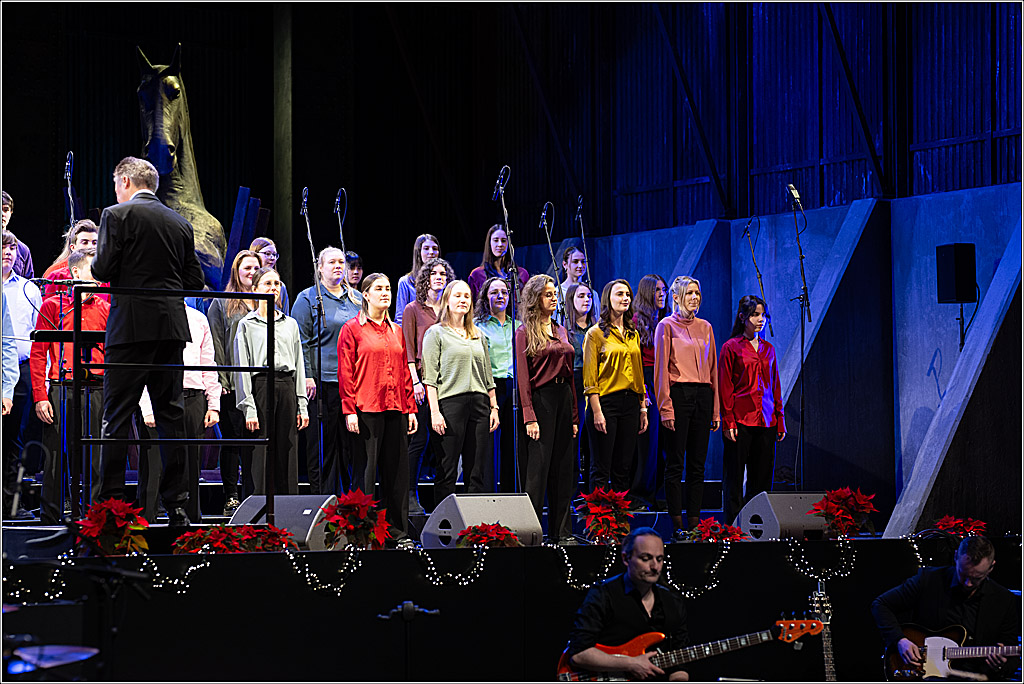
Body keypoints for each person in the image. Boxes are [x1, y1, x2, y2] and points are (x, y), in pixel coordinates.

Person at [92, 156, 205, 527]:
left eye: (115, 184)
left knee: (118, 416)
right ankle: (177, 507)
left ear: (124, 180)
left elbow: (102, 269)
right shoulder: (180, 223)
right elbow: (194, 280)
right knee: (171, 417)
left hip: (130, 332)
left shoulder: (116, 215)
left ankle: (110, 507)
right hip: (171, 329)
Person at [871, 535, 1021, 680]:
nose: (968, 583)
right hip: (927, 675)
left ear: (991, 567)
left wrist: (1001, 665)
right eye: (963, 574)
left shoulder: (1003, 599)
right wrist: (900, 640)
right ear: (956, 557)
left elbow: (1011, 654)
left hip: (977, 677)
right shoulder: (928, 580)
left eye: (977, 578)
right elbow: (881, 604)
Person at [30, 248, 108, 524]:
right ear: (75, 273)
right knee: (55, 455)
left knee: (96, 455)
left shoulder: (105, 308)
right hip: (62, 386)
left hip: (96, 388)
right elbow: (39, 353)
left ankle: (95, 516)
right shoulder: (53, 305)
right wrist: (41, 395)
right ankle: (50, 516)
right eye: (93, 269)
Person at [338, 273, 417, 544]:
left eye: (388, 288)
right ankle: (360, 531)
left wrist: (411, 409)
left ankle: (397, 531)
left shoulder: (396, 330)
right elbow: (346, 372)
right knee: (366, 473)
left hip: (395, 408)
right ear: (366, 295)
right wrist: (349, 409)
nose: (385, 293)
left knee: (396, 473)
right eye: (379, 289)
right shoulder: (352, 328)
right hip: (366, 408)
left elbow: (405, 371)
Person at [565, 527, 690, 681]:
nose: (655, 566)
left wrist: (680, 678)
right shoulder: (604, 594)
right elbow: (578, 654)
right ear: (625, 558)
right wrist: (630, 664)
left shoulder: (672, 601)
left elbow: (679, 663)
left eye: (659, 559)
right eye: (646, 558)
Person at [137, 302, 221, 522]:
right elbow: (142, 365)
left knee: (191, 464)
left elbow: (208, 363)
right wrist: (147, 407)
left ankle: (191, 521)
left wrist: (213, 404)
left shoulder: (198, 319)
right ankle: (147, 521)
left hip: (193, 396)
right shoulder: (150, 316)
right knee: (154, 465)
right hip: (159, 395)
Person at [292, 246, 362, 496]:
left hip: (353, 385)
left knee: (349, 449)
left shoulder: (356, 299)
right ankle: (321, 504)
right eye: (331, 262)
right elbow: (301, 340)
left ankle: (349, 504)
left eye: (341, 262)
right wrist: (308, 375)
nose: (338, 266)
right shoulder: (308, 298)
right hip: (322, 383)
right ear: (319, 267)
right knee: (322, 447)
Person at [422, 280, 500, 502]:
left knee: (476, 470)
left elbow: (487, 375)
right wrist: (435, 412)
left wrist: (493, 407)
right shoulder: (435, 333)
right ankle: (443, 526)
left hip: (480, 404)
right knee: (447, 468)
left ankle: (475, 527)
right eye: (457, 296)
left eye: (467, 296)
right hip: (450, 404)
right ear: (447, 300)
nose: (463, 300)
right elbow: (430, 378)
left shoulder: (478, 334)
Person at [235, 267, 310, 495]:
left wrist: (302, 404)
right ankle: (258, 512)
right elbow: (242, 369)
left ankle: (288, 511)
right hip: (260, 388)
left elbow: (299, 364)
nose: (273, 288)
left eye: (276, 284)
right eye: (267, 284)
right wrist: (249, 408)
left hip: (286, 385)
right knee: (260, 454)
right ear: (255, 289)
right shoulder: (246, 324)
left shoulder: (290, 324)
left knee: (288, 451)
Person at [655, 276, 720, 538]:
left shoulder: (706, 327)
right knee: (675, 464)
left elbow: (714, 371)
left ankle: (694, 524)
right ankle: (677, 525)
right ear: (677, 297)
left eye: (697, 292)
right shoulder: (665, 326)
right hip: (678, 395)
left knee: (697, 464)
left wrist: (716, 410)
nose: (694, 297)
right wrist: (665, 407)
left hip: (703, 396)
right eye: (689, 293)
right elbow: (660, 372)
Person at [515, 275, 578, 543]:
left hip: (564, 398)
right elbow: (522, 376)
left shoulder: (561, 329)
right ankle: (532, 533)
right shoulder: (523, 331)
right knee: (538, 470)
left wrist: (574, 415)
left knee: (564, 468)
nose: (554, 298)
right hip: (542, 400)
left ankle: (561, 532)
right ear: (535, 299)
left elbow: (571, 375)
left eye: (555, 294)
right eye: (548, 294)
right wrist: (529, 416)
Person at [718, 295, 784, 524]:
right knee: (734, 477)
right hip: (740, 420)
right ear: (743, 317)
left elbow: (775, 385)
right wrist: (728, 421)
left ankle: (757, 526)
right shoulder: (731, 348)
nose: (760, 319)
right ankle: (732, 527)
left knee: (762, 478)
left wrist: (780, 419)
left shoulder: (769, 349)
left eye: (762, 315)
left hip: (766, 420)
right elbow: (725, 386)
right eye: (755, 315)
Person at [207, 249, 263, 513]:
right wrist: (223, 380)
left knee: (255, 441)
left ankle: (255, 493)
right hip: (231, 383)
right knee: (232, 441)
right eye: (246, 269)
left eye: (255, 268)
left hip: (259, 383)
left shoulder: (265, 302)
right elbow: (217, 343)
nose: (251, 273)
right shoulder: (222, 302)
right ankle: (231, 494)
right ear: (236, 272)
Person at [583, 279, 648, 493]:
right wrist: (597, 412)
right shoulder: (595, 333)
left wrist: (642, 408)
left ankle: (620, 522)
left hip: (630, 402)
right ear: (608, 299)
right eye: (620, 294)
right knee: (601, 467)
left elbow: (638, 373)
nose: (625, 298)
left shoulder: (633, 333)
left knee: (623, 467)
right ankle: (597, 523)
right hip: (605, 402)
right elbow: (589, 378)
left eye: (628, 294)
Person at [402, 257, 454, 513]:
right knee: (419, 440)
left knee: (444, 442)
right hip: (422, 379)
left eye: (443, 274)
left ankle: (444, 500)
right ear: (425, 278)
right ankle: (410, 495)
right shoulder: (414, 308)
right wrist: (415, 381)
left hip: (448, 380)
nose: (439, 277)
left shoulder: (449, 311)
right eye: (434, 273)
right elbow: (409, 349)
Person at [2, 229, 41, 519]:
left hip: (21, 370)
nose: (8, 253)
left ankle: (10, 505)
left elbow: (40, 335)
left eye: (12, 248)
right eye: (3, 247)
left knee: (13, 438)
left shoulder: (28, 289)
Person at [474, 276, 522, 492]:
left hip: (513, 388)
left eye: (504, 291)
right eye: (494, 292)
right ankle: (487, 495)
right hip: (488, 388)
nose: (500, 296)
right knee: (488, 446)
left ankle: (510, 495)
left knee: (512, 446)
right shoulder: (477, 326)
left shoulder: (518, 326)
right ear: (485, 297)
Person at [630, 274, 669, 512]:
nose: (662, 294)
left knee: (664, 442)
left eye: (664, 289)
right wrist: (643, 389)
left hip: (663, 380)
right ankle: (640, 496)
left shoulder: (665, 320)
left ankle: (658, 496)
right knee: (647, 443)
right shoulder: (636, 321)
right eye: (657, 290)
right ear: (647, 293)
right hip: (645, 380)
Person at [566, 282, 596, 494]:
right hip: (575, 384)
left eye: (589, 296)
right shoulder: (565, 330)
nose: (586, 300)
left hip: (596, 384)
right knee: (575, 442)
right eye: (581, 296)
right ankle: (573, 492)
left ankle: (594, 495)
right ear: (571, 300)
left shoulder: (598, 329)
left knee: (594, 443)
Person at [42, 220, 110, 303]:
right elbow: (45, 308)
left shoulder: (105, 277)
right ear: (73, 247)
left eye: (94, 243)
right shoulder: (56, 274)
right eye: (84, 242)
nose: (90, 246)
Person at [467, 224, 529, 301]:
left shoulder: (522, 274)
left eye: (503, 240)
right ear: (489, 243)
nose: (500, 244)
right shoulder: (477, 275)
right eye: (496, 240)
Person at [394, 233, 440, 326]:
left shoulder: (444, 281)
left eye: (434, 249)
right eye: (426, 248)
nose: (431, 252)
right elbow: (400, 318)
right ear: (418, 252)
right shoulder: (406, 282)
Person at [249, 237, 290, 314]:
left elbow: (285, 316)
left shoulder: (280, 287)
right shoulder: (248, 282)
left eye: (274, 255)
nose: (272, 258)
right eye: (267, 254)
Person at [558, 245, 598, 320]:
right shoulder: (557, 293)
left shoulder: (593, 294)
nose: (580, 266)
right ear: (564, 264)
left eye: (583, 262)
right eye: (575, 262)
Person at [2, 192, 35, 279]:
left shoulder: (22, 249)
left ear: (11, 212)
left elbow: (28, 285)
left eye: (5, 210)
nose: (2, 214)